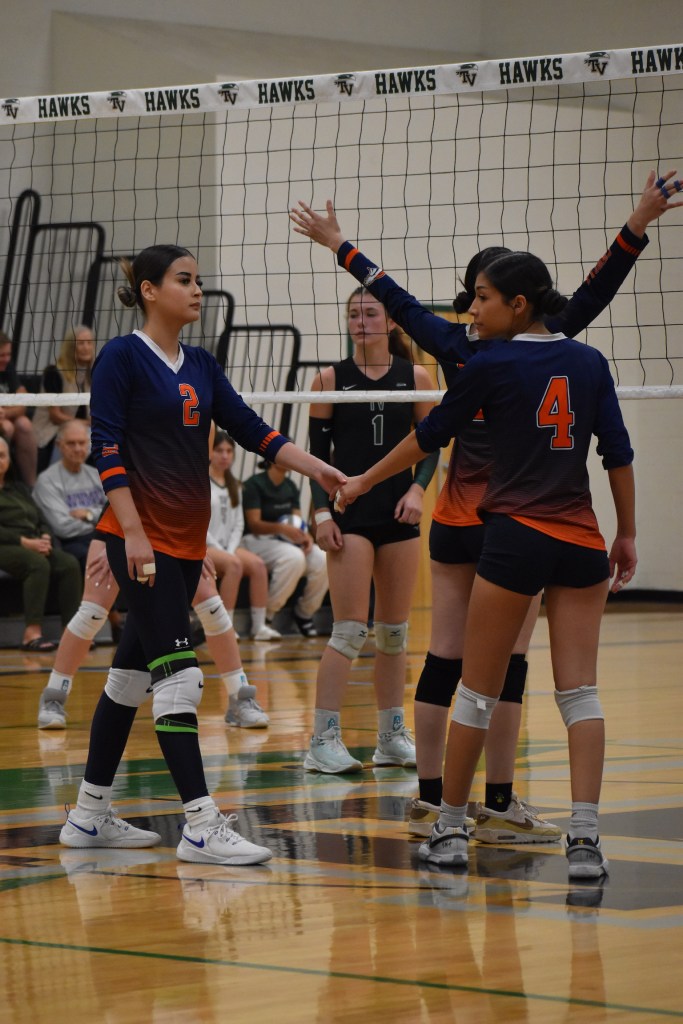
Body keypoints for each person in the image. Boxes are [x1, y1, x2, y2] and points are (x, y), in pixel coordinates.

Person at [290, 170, 679, 834]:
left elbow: (398, 301)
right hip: (518, 525)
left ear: (503, 303)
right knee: (508, 667)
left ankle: (435, 798)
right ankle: (495, 802)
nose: (475, 309)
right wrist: (637, 224)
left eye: (481, 298)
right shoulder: (553, 344)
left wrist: (340, 245)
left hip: (458, 523)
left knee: (447, 659)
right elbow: (594, 291)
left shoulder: (458, 347)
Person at [336, 249, 637, 880]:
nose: (472, 308)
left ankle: (447, 827)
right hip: (582, 537)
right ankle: (584, 839)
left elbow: (430, 434)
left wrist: (364, 479)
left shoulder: (488, 361)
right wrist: (627, 534)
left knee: (474, 687)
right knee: (580, 694)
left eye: (482, 297)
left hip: (514, 536)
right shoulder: (588, 361)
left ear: (517, 304)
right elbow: (617, 452)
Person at [58, 243, 345, 867]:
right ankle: (199, 824)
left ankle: (86, 817)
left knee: (130, 679)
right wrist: (130, 531)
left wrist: (320, 469)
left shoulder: (203, 366)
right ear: (149, 290)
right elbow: (105, 447)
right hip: (140, 540)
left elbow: (253, 429)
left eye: (198, 280)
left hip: (183, 545)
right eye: (184, 280)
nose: (197, 290)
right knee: (181, 677)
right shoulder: (120, 358)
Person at [302, 287, 437, 774]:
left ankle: (390, 737)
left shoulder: (415, 376)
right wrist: (320, 515)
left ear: (392, 323)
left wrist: (419, 489)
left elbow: (430, 445)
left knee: (395, 635)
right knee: (350, 629)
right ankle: (322, 739)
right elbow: (316, 461)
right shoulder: (329, 379)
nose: (361, 321)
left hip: (397, 514)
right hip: (349, 515)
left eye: (371, 313)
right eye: (354, 314)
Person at [37, 537, 270, 731]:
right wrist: (118, 542)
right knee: (92, 612)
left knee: (212, 607)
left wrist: (198, 540)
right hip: (124, 524)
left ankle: (240, 697)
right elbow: (121, 488)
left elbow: (189, 491)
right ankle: (53, 697)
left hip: (174, 528)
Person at [0, 434, 81, 651]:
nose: (0, 461)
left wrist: (45, 535)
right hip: (6, 544)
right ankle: (32, 632)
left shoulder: (18, 488)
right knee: (37, 564)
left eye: (2, 456)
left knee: (68, 563)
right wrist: (23, 541)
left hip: (33, 542)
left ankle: (71, 632)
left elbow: (40, 516)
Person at [207, 430, 281, 641]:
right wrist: (224, 552)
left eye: (229, 451)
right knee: (234, 565)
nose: (225, 455)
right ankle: (225, 627)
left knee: (257, 565)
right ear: (210, 453)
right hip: (205, 545)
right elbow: (199, 523)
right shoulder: (201, 481)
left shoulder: (235, 485)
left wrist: (230, 549)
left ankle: (259, 627)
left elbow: (239, 523)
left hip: (228, 547)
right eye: (219, 450)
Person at [240, 460, 328, 637]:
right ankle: (267, 615)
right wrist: (281, 528)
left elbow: (296, 521)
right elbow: (254, 524)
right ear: (272, 458)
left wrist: (306, 538)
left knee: (322, 558)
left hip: (285, 541)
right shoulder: (254, 484)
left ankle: (304, 613)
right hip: (256, 540)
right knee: (294, 557)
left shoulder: (290, 486)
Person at [32, 419, 106, 573]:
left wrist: (88, 515)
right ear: (59, 446)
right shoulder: (47, 481)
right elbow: (63, 527)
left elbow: (113, 512)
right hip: (69, 543)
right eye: (71, 443)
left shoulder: (96, 475)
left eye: (82, 442)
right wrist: (100, 521)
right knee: (94, 557)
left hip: (101, 535)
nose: (78, 448)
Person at [32, 324, 94, 472]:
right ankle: (59, 475)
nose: (86, 347)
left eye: (89, 343)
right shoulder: (53, 373)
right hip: (52, 428)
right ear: (71, 347)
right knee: (88, 436)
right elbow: (55, 416)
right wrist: (86, 423)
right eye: (81, 343)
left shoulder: (92, 375)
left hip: (83, 427)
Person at [0, 330, 37, 487]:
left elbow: (23, 403)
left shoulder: (8, 367)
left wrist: (5, 411)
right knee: (7, 427)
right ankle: (5, 482)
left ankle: (31, 487)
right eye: (2, 355)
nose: (6, 359)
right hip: (5, 423)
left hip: (6, 416)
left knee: (24, 424)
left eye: (9, 354)